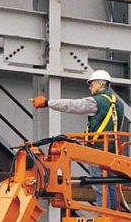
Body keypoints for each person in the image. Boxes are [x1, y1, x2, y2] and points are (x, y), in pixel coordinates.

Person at [30, 69, 123, 209]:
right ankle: (113, 215)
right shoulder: (119, 103)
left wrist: (47, 103)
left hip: (97, 150)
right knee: (109, 184)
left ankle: (105, 213)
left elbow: (72, 105)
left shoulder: (97, 101)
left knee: (99, 184)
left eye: (91, 84)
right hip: (113, 150)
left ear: (100, 85)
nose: (90, 87)